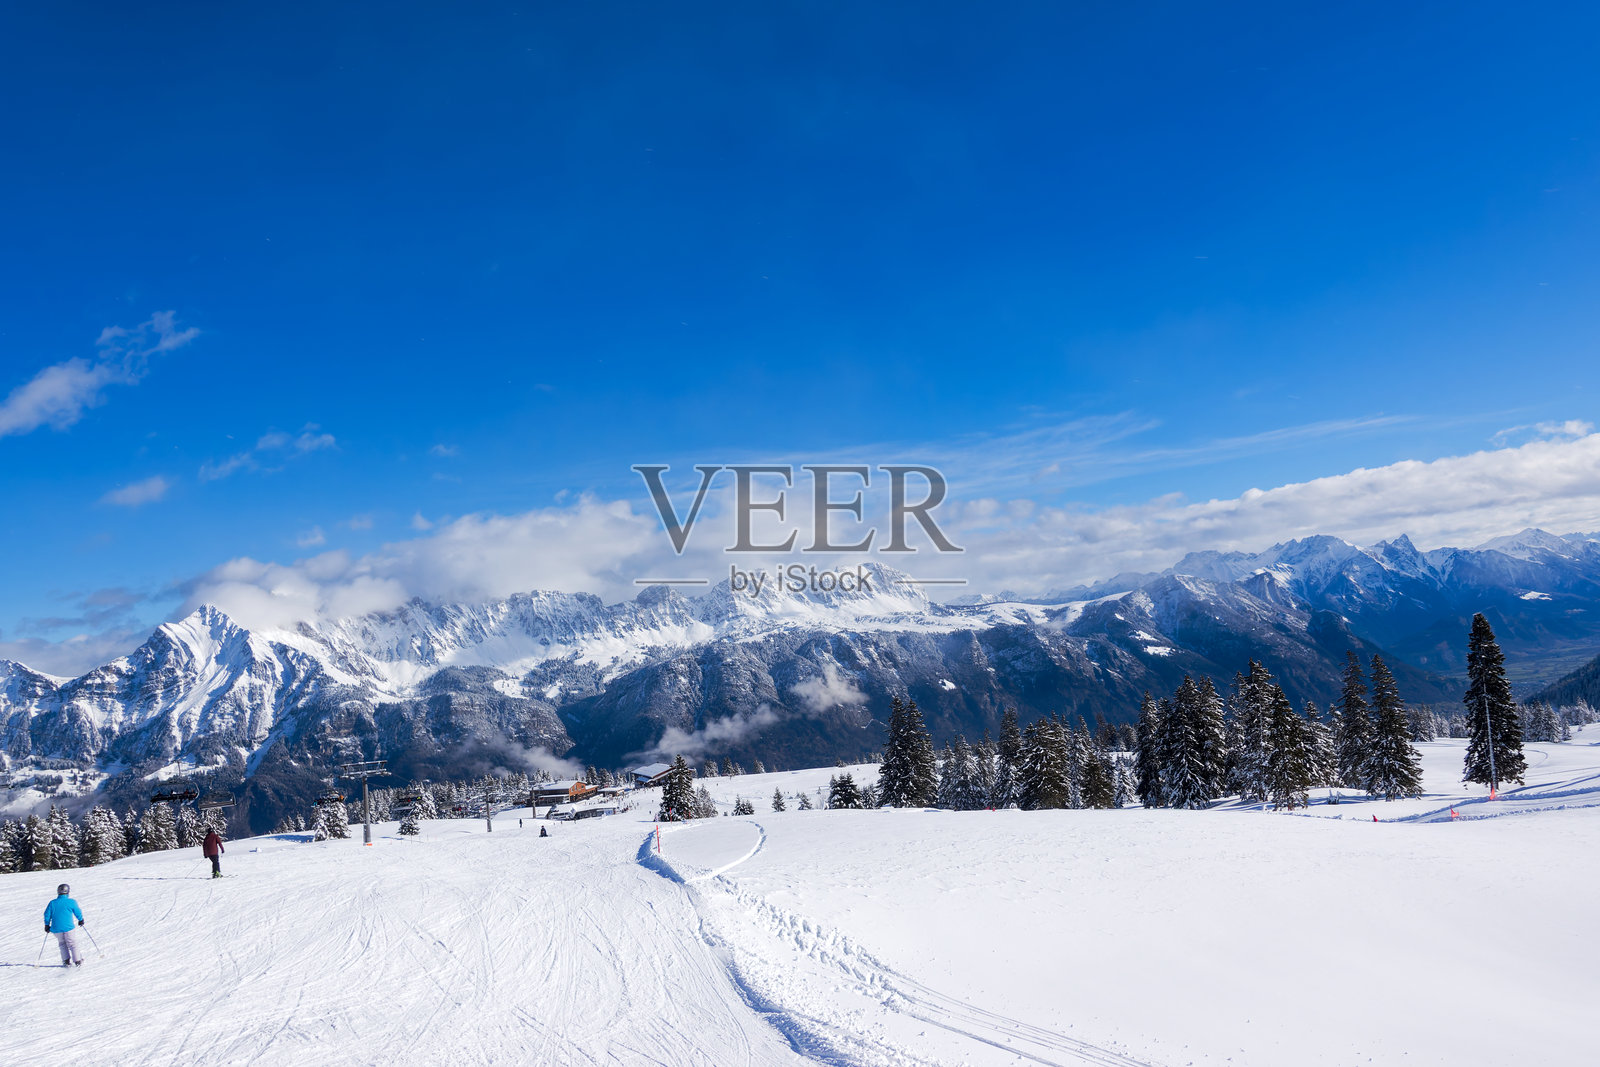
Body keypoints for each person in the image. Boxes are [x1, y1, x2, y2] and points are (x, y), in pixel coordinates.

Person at [44, 884, 85, 968]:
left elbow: (47, 914)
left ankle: (66, 961)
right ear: (68, 892)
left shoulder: (52, 903)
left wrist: (47, 925)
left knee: (62, 944)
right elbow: (77, 911)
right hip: (68, 927)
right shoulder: (71, 902)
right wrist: (80, 920)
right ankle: (77, 961)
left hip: (56, 928)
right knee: (72, 944)